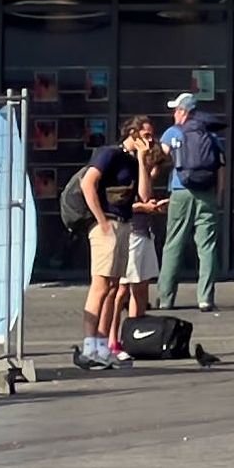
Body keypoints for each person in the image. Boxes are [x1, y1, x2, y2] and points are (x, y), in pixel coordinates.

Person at [76, 112, 159, 368]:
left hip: (124, 224)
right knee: (100, 286)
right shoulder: (109, 153)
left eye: (152, 136)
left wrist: (143, 160)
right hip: (107, 223)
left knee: (113, 288)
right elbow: (87, 183)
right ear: (132, 134)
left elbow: (144, 196)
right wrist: (100, 220)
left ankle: (102, 346)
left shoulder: (133, 161)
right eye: (146, 136)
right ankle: (90, 346)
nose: (150, 140)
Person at [156, 91, 224, 313]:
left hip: (180, 191)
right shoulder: (211, 135)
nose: (174, 114)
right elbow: (221, 168)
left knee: (174, 243)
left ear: (184, 112)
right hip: (207, 193)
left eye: (176, 110)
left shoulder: (172, 133)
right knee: (207, 246)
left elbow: (158, 158)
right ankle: (205, 298)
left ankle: (165, 298)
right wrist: (219, 195)